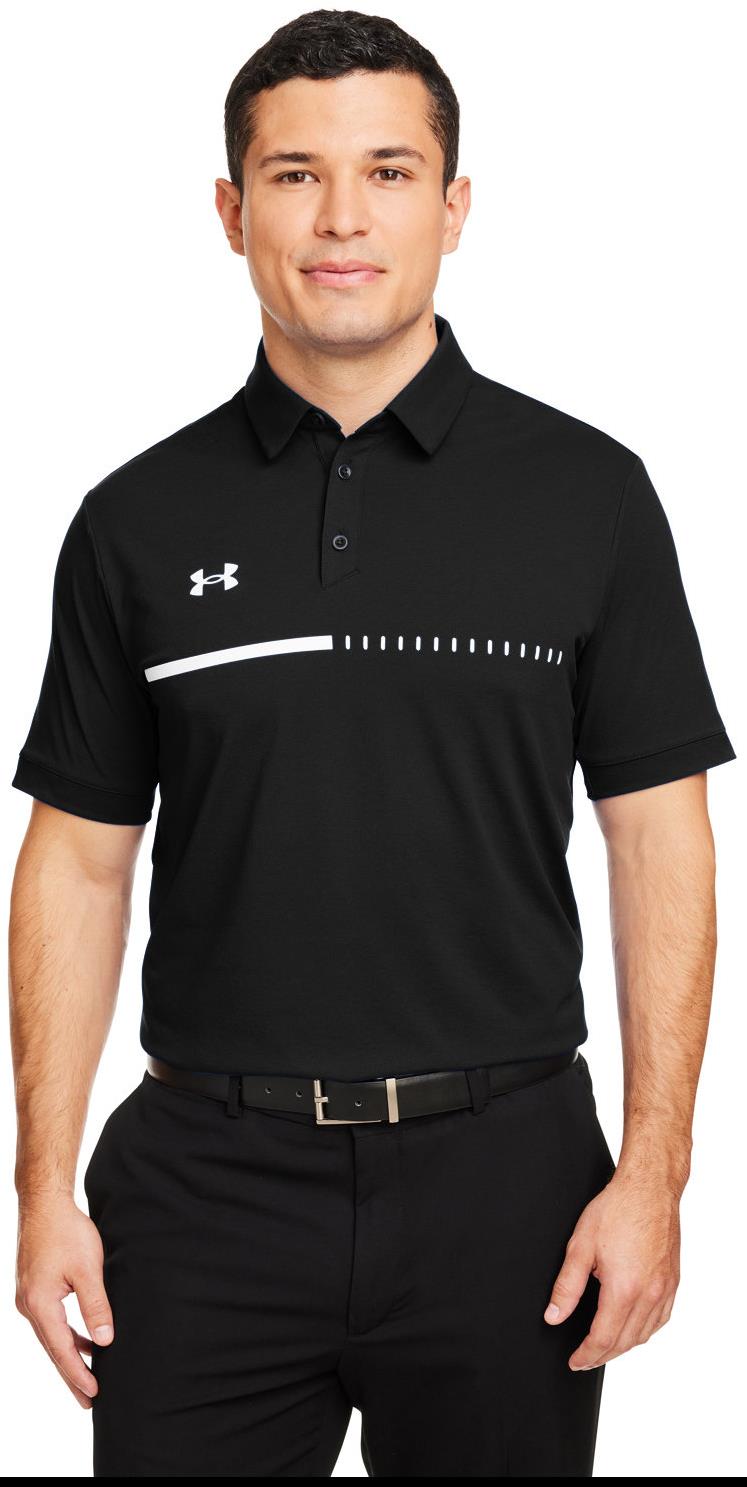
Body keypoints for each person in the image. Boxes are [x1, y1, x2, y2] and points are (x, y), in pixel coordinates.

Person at [9, 8, 737, 1478]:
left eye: (389, 172)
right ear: (232, 212)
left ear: (455, 208)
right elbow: (79, 863)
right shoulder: (133, 520)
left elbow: (658, 838)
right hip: (202, 1191)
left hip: (512, 1188)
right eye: (296, 175)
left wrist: (655, 1175)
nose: (342, 217)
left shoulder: (591, 496)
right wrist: (40, 1187)